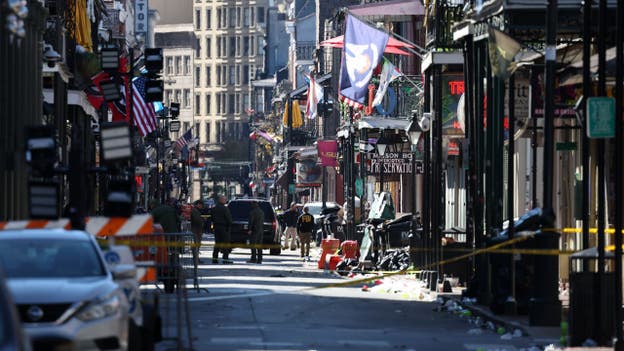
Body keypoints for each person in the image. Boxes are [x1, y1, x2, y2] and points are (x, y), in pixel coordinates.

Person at [211, 195, 232, 264]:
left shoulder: (214, 208)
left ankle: (214, 259)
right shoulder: (225, 209)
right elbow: (229, 219)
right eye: (225, 199)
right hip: (224, 228)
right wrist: (229, 226)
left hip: (216, 227)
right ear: (221, 200)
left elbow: (211, 218)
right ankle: (225, 259)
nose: (226, 201)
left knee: (217, 244)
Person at [191, 200, 204, 265]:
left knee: (197, 245)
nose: (202, 207)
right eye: (201, 205)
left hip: (197, 230)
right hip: (196, 231)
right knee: (196, 245)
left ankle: (196, 259)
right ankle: (196, 259)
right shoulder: (195, 211)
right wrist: (202, 221)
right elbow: (197, 220)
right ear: (198, 204)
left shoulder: (195, 211)